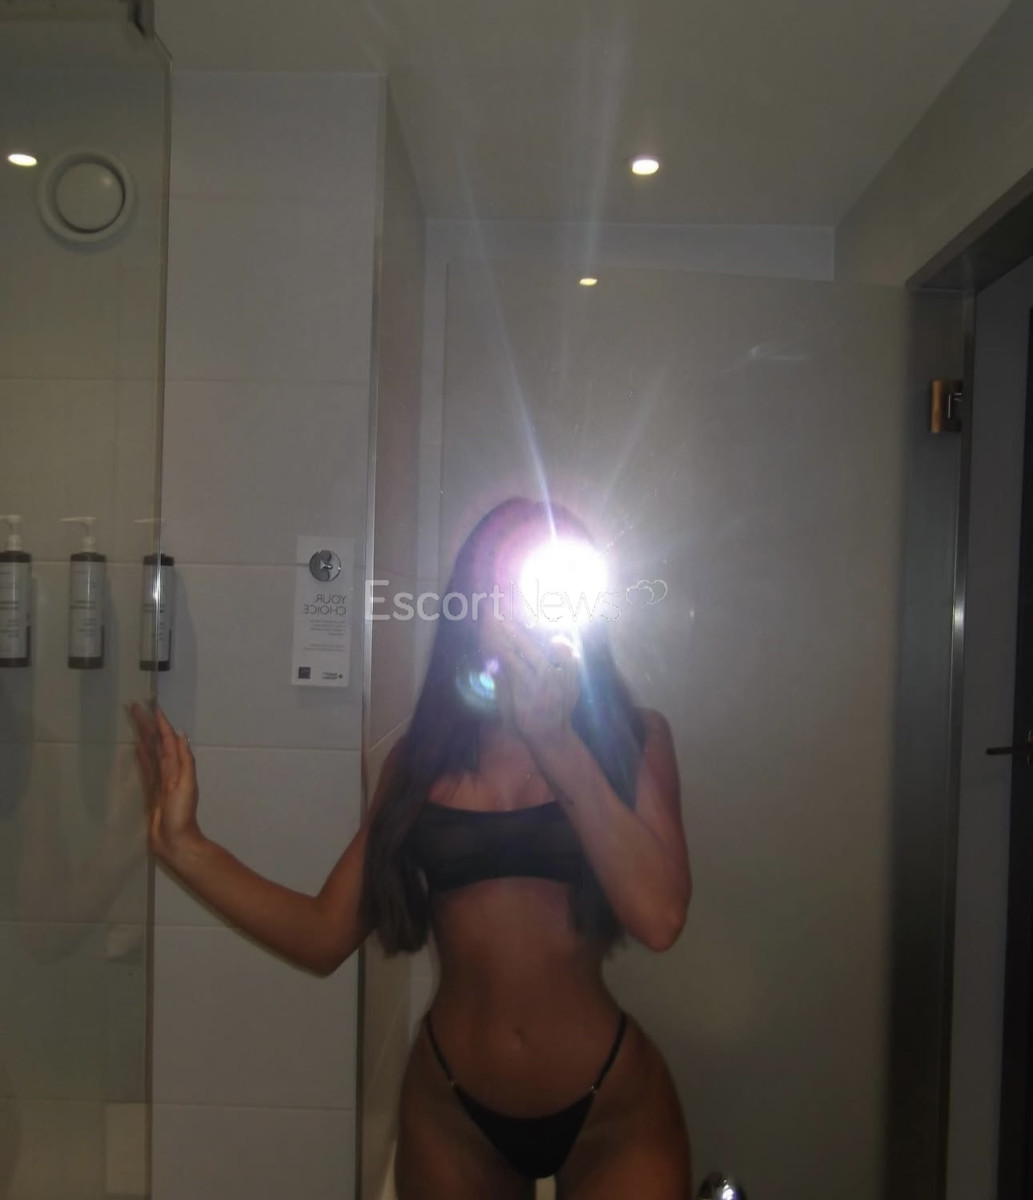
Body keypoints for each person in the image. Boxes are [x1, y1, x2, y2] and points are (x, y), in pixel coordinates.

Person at [132, 497, 693, 1199]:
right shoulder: (420, 760)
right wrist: (187, 849)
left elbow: (659, 917)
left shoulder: (636, 739)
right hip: (451, 1113)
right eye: (503, 587)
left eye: (548, 588)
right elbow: (323, 935)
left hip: (611, 1109)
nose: (525, 609)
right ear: (470, 610)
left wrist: (554, 740)